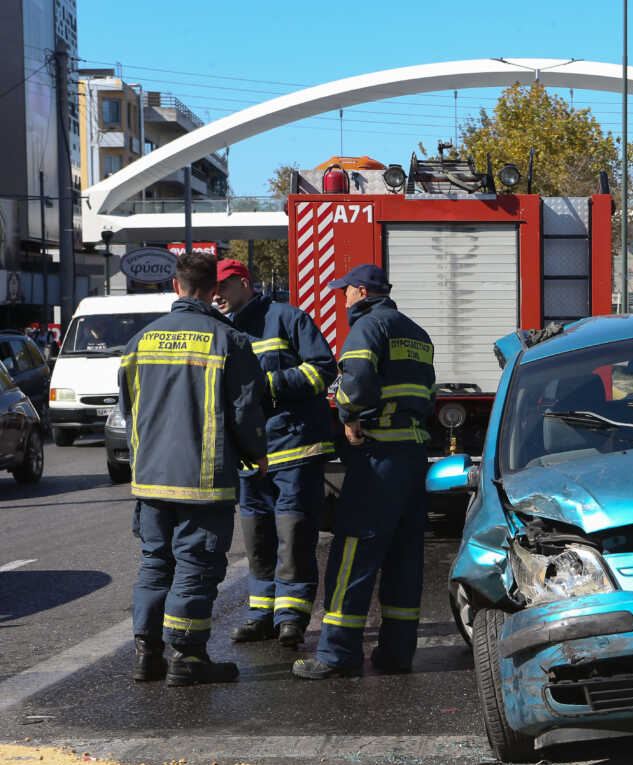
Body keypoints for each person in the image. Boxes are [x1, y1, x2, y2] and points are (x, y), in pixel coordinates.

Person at [118, 252, 268, 686]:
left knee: (154, 563)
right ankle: (188, 658)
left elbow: (128, 408)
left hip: (149, 478)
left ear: (174, 287)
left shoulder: (141, 341)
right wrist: (256, 454)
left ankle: (147, 655)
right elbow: (244, 410)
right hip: (202, 481)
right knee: (195, 566)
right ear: (213, 291)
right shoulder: (228, 339)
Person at [292, 263, 434, 679]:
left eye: (345, 292)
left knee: (353, 551)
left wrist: (351, 417)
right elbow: (428, 391)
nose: (343, 299)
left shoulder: (368, 328)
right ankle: (396, 652)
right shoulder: (417, 333)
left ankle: (337, 654)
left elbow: (354, 381)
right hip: (413, 455)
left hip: (377, 456)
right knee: (404, 556)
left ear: (359, 291)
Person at [213, 258, 336, 649]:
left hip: (294, 449)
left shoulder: (287, 319)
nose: (216, 294)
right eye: (212, 288)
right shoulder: (220, 330)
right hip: (250, 456)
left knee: (294, 537)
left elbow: (322, 370)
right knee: (258, 540)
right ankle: (260, 614)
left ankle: (291, 618)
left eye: (224, 286)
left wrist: (267, 384)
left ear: (245, 283)